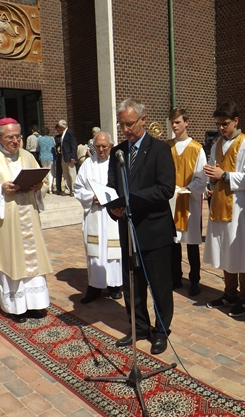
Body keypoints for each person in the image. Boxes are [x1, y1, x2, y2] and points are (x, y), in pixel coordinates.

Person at [107, 98, 176, 355]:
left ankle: (161, 331)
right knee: (132, 284)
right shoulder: (117, 152)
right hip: (128, 229)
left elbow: (166, 189)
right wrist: (112, 207)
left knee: (159, 286)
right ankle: (139, 327)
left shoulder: (159, 149)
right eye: (122, 125)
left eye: (130, 124)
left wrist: (131, 199)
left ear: (143, 120)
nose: (125, 129)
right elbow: (112, 185)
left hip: (154, 230)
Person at [0, 118, 52, 324]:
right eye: (10, 137)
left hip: (29, 217)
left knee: (33, 259)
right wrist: (0, 189)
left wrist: (39, 186)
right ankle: (16, 307)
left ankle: (35, 304)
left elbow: (43, 182)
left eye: (18, 137)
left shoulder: (28, 156)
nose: (15, 141)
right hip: (8, 222)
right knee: (11, 260)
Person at [203, 101, 245, 317]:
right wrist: (211, 177)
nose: (221, 128)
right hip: (221, 203)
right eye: (218, 124)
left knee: (241, 252)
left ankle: (244, 298)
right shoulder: (217, 144)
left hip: (240, 207)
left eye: (224, 124)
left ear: (236, 121)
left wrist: (224, 175)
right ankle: (229, 293)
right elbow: (214, 172)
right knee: (225, 249)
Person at [74, 131, 123, 303]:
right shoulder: (88, 164)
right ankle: (95, 286)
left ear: (111, 146)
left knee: (114, 250)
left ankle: (115, 285)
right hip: (94, 213)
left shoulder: (117, 164)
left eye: (104, 146)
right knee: (95, 251)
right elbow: (78, 187)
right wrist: (91, 197)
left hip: (112, 214)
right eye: (97, 146)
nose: (101, 150)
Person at [168, 108, 208, 296]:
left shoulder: (197, 148)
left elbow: (201, 177)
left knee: (192, 243)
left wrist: (187, 189)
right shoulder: (167, 146)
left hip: (190, 201)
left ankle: (194, 280)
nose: (174, 125)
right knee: (173, 243)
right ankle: (175, 277)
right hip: (171, 201)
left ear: (186, 122)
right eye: (172, 122)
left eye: (177, 122)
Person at [58, 119, 78, 196]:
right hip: (64, 156)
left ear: (63, 126)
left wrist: (73, 156)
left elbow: (73, 145)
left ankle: (74, 190)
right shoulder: (63, 134)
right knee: (65, 174)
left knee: (72, 173)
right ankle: (67, 189)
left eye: (59, 127)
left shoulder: (69, 133)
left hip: (69, 156)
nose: (59, 128)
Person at [37, 127, 55, 194]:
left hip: (43, 156)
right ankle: (50, 188)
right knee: (51, 172)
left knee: (44, 172)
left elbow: (37, 148)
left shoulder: (39, 138)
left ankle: (46, 186)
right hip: (50, 157)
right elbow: (54, 146)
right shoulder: (52, 138)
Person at [54, 123, 63, 195]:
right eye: (57, 130)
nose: (58, 131)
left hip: (65, 156)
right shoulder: (57, 138)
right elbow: (56, 146)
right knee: (58, 173)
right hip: (59, 156)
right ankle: (58, 189)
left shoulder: (66, 135)